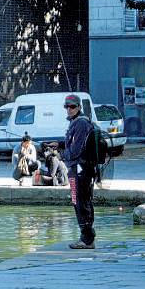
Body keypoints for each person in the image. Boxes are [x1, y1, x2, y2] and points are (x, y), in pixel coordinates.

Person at [62, 94, 96, 249]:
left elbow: (76, 150)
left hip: (80, 169)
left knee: (80, 201)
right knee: (81, 200)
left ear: (79, 107)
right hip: (80, 168)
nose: (69, 109)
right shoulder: (77, 122)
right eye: (67, 107)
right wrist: (59, 145)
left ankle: (87, 239)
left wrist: (62, 154)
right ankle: (86, 237)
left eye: (72, 106)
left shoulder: (81, 124)